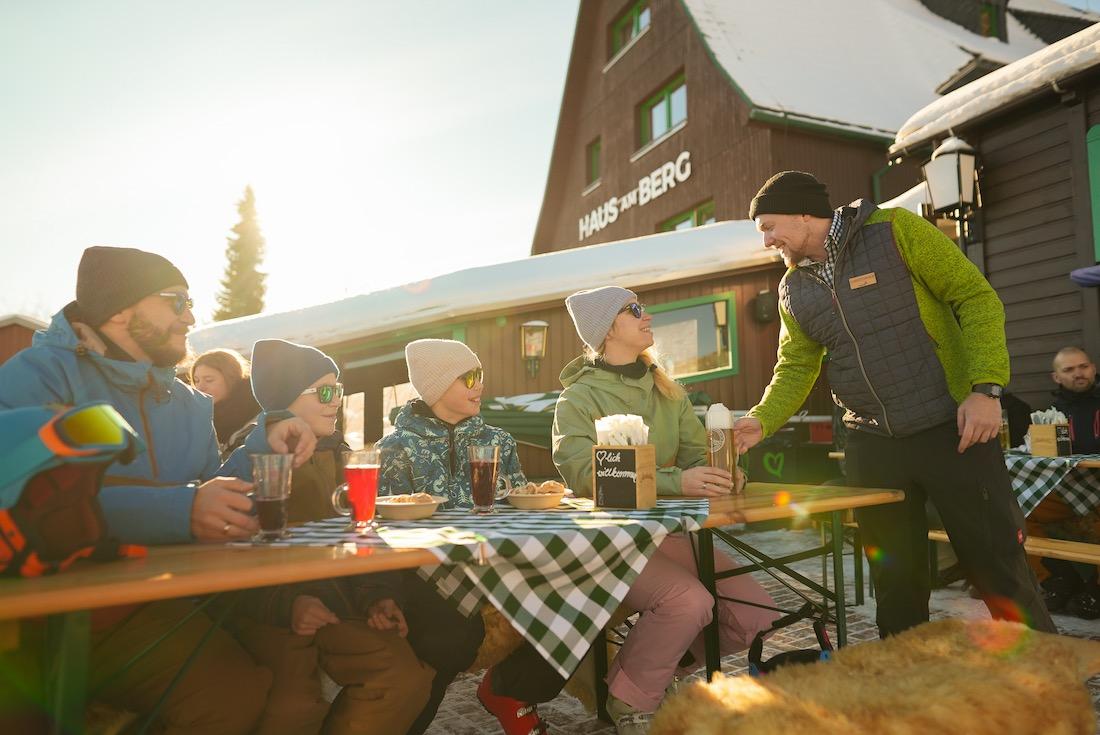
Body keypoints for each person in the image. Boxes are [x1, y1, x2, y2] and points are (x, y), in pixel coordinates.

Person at [0, 246, 316, 734]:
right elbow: (30, 502)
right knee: (231, 696)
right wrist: (180, 510)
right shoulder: (41, 375)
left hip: (177, 597)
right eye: (176, 300)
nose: (191, 315)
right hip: (68, 616)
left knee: (296, 673)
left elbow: (211, 493)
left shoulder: (189, 402)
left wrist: (264, 442)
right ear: (120, 310)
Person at [736, 171, 1055, 637]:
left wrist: (986, 390)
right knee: (895, 581)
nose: (766, 241)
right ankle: (909, 687)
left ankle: (1048, 681)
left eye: (769, 226)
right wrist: (760, 421)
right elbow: (795, 367)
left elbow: (975, 297)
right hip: (872, 442)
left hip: (954, 428)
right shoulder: (792, 290)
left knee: (997, 565)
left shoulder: (895, 231)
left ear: (806, 213)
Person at [553, 287, 778, 734]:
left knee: (757, 617)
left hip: (673, 533)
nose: (647, 315)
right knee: (689, 601)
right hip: (613, 542)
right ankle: (627, 702)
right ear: (608, 328)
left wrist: (723, 476)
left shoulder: (667, 390)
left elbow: (698, 454)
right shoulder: (577, 400)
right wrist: (679, 482)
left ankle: (643, 674)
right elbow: (587, 475)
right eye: (634, 310)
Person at [228, 339, 434, 735]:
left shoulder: (343, 455)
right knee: (292, 708)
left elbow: (364, 533)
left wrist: (379, 593)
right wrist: (287, 604)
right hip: (272, 610)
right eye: (325, 391)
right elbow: (227, 557)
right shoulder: (246, 456)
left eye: (338, 390)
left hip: (339, 604)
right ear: (284, 401)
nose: (336, 400)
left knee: (405, 679)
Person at [379, 339, 556, 735]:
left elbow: (520, 505)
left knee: (574, 596)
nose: (481, 386)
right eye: (470, 378)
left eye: (481, 376)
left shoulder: (499, 441)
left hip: (499, 566)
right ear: (437, 385)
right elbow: (389, 525)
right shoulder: (397, 448)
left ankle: (511, 691)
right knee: (449, 637)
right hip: (429, 574)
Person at [190, 347, 262, 456]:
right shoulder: (200, 417)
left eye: (209, 380)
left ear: (231, 378)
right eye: (196, 381)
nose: (200, 387)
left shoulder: (256, 415)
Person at [1049, 346, 1100, 454]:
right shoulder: (1053, 414)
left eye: (1084, 367)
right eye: (1068, 370)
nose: (1078, 374)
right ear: (1056, 377)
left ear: (1093, 369)